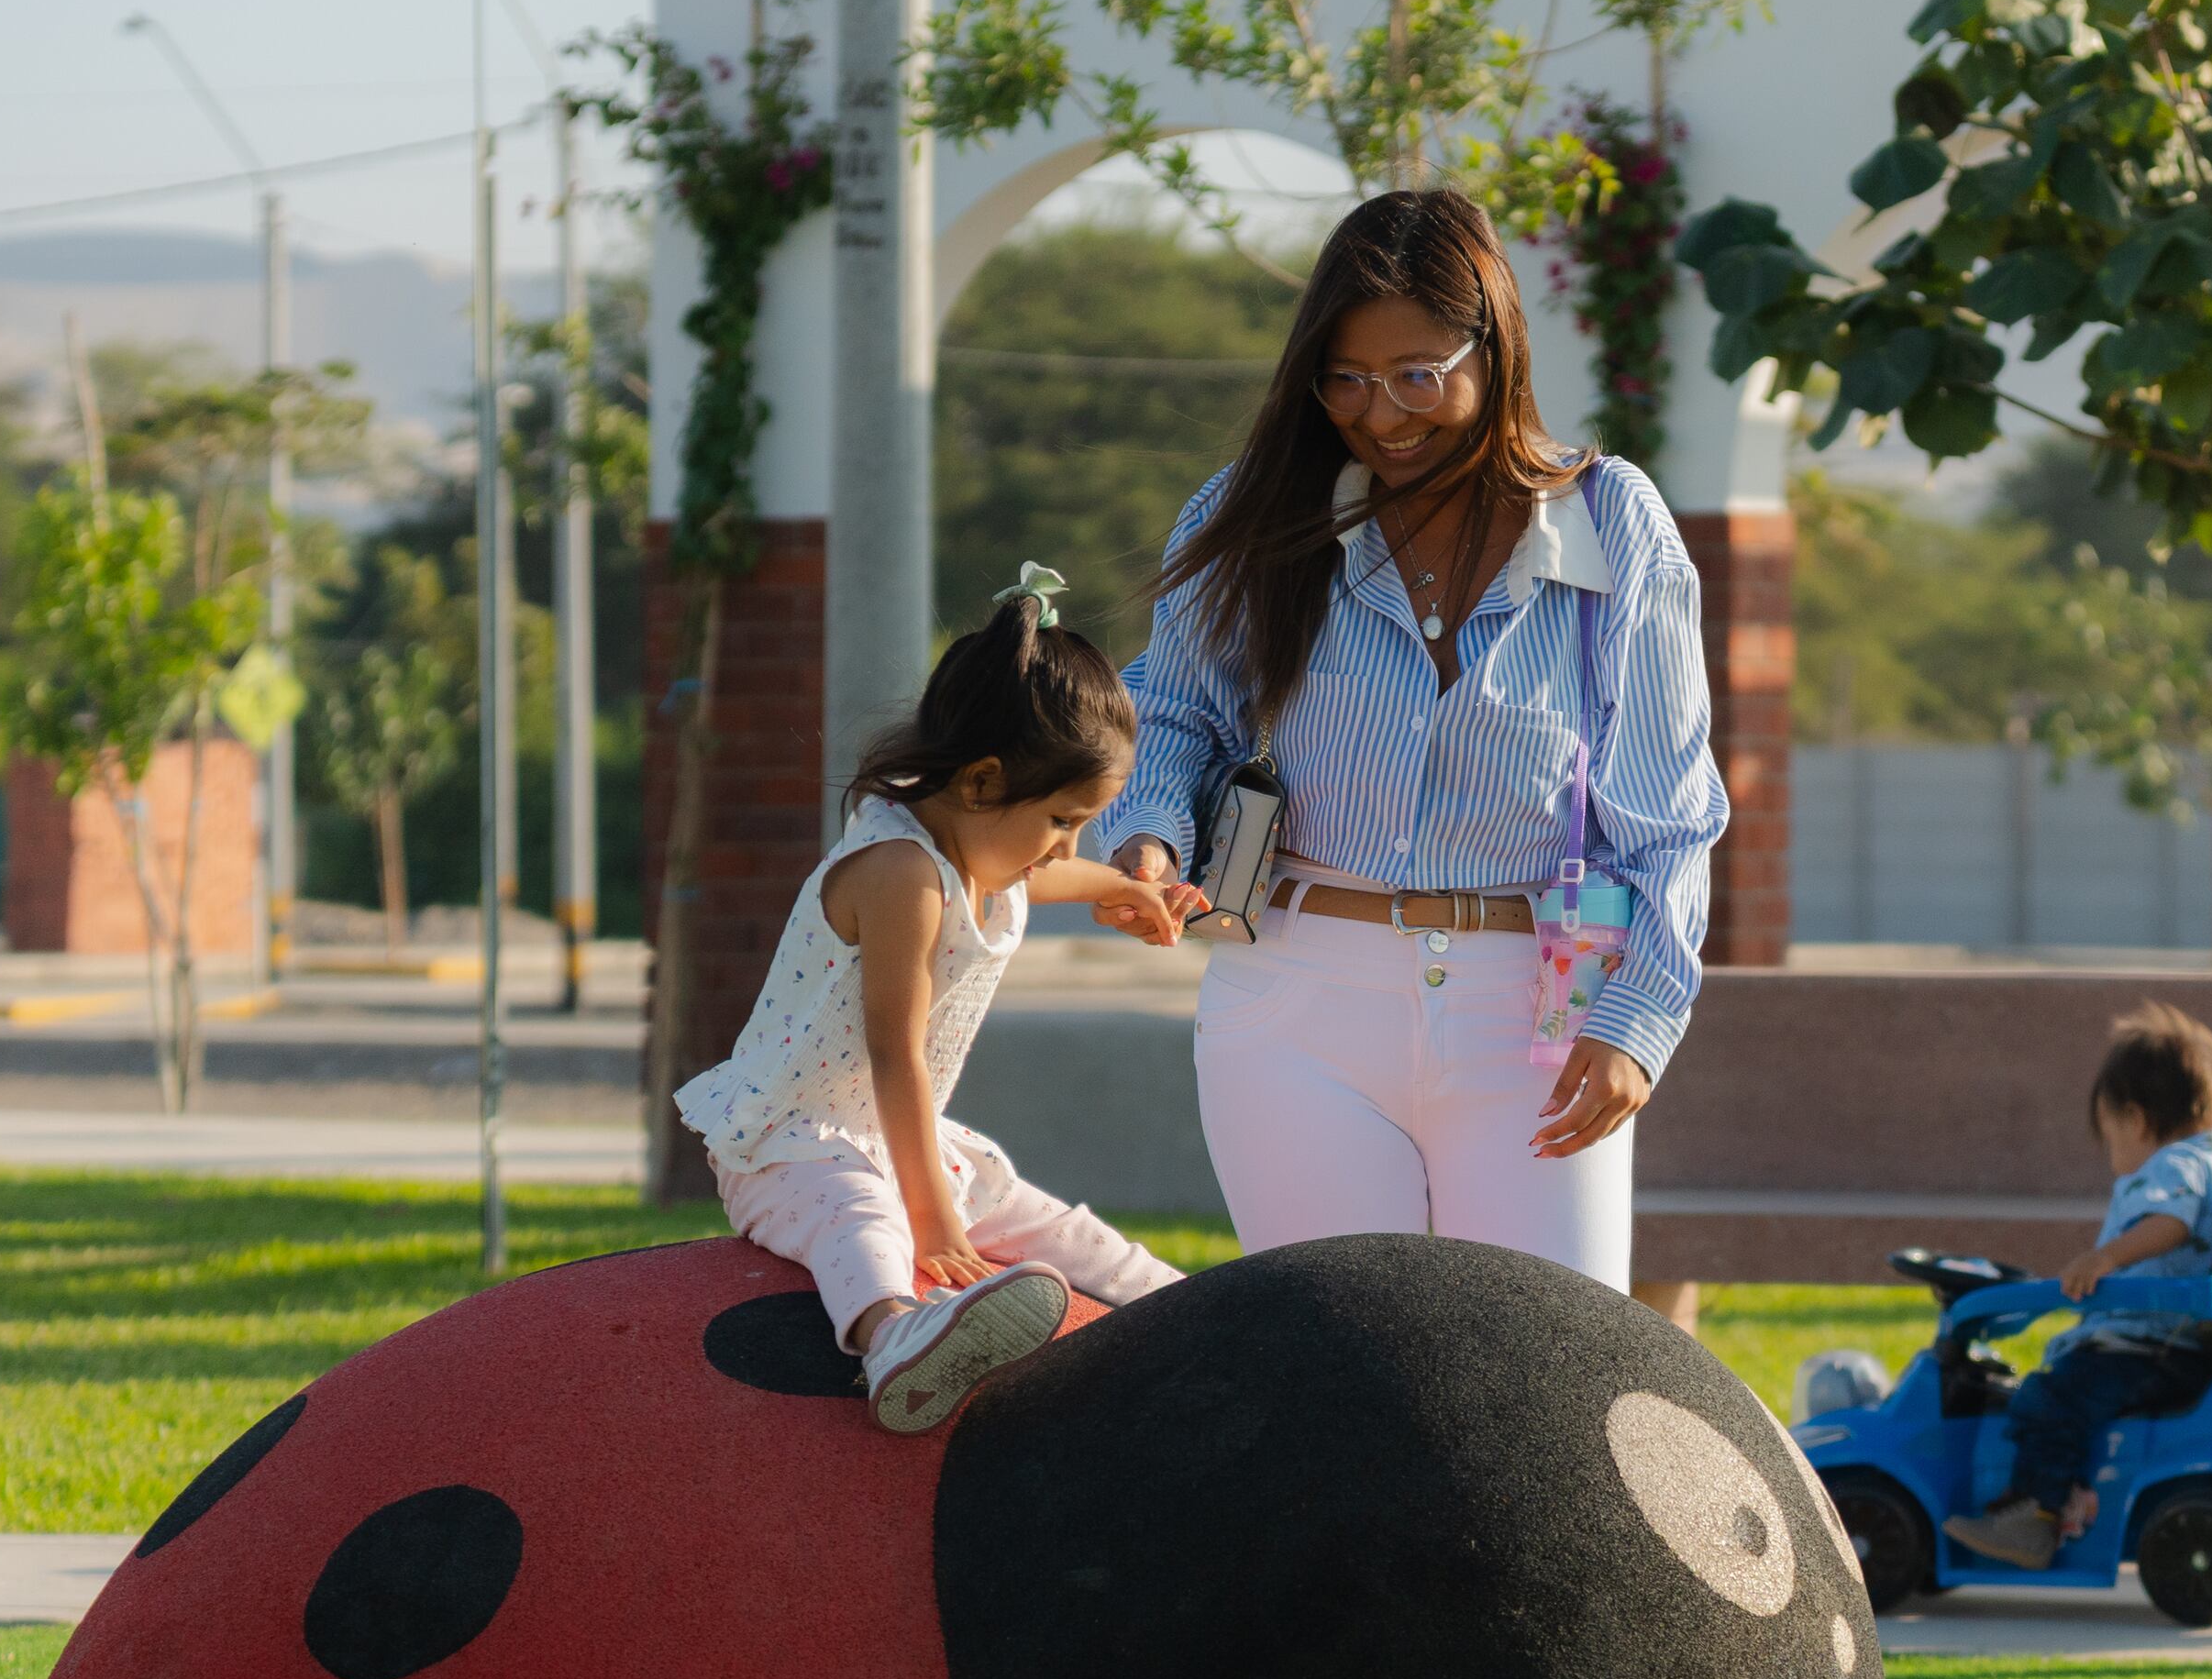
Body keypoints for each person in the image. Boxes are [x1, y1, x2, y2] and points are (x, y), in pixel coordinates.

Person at [1103, 190, 1728, 1286]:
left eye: (1415, 376)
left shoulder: (1613, 522)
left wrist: (1638, 1018)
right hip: (1293, 1007)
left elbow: (1669, 817)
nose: (1379, 414)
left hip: (1537, 1016)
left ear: (1493, 347)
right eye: (1342, 380)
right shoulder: (1248, 518)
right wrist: (1147, 836)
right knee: (1338, 1382)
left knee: (1544, 1392)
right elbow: (1174, 713)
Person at [677, 579, 1196, 1432]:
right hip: (789, 1147)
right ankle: (894, 1339)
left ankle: (1192, 1313)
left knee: (1058, 1227)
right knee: (860, 1217)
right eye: (1065, 819)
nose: (1068, 846)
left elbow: (1045, 872)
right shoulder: (901, 874)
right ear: (985, 782)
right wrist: (935, 1224)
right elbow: (896, 1052)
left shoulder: (978, 846)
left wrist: (1130, 890)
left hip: (891, 1136)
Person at [1942, 1003, 2212, 1568]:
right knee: (2067, 1386)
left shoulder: (2172, 1166)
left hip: (2148, 1346)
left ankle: (2035, 1518)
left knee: (2050, 1397)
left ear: (2136, 1120)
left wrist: (2105, 1257)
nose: (2116, 1163)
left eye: (2111, 1140)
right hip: (2185, 1347)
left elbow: (2171, 1223)